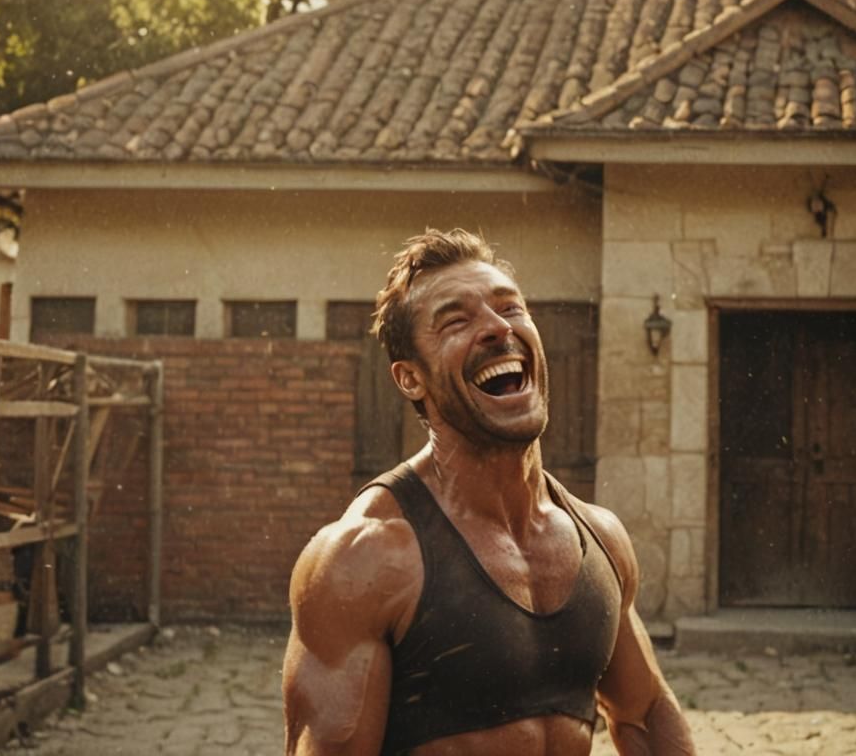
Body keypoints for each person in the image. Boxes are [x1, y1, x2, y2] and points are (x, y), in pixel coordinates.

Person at [283, 228, 696, 755]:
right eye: (457, 320)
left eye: (511, 309)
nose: (498, 328)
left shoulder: (601, 539)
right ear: (411, 379)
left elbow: (645, 714)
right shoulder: (366, 558)